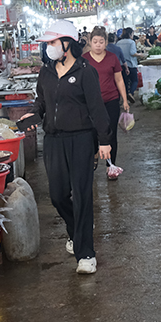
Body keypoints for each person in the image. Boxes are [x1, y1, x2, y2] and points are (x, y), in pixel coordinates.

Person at [25, 20, 112, 275]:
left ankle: (86, 254)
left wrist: (104, 140)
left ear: (67, 43)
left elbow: (97, 108)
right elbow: (41, 102)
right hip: (53, 140)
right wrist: (32, 116)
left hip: (81, 140)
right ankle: (76, 230)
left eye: (53, 42)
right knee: (58, 195)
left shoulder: (85, 71)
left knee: (82, 195)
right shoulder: (46, 72)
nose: (49, 47)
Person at [85, 27, 130, 180]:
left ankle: (111, 166)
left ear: (106, 43)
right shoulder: (84, 60)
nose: (98, 45)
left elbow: (119, 80)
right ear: (90, 42)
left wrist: (125, 99)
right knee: (91, 133)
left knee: (111, 134)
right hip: (90, 103)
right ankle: (93, 155)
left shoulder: (112, 58)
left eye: (101, 42)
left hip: (111, 100)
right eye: (95, 42)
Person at [116, 28, 139, 102]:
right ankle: (130, 93)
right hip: (131, 64)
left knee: (125, 82)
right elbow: (132, 53)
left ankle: (125, 99)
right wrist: (141, 55)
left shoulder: (118, 43)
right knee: (135, 81)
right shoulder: (131, 42)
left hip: (121, 65)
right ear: (130, 34)